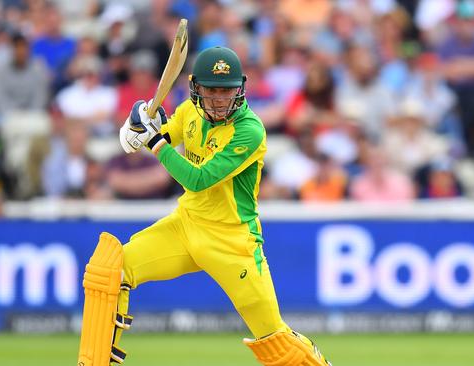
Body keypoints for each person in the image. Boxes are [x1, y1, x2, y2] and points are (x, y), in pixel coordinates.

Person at [77, 46, 332, 366]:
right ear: (196, 88)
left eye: (226, 91)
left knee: (275, 340)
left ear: (240, 90)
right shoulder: (188, 112)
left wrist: (152, 140)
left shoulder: (249, 131)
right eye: (211, 91)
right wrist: (138, 125)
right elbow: (162, 135)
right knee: (110, 269)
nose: (219, 100)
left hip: (232, 242)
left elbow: (198, 179)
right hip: (186, 226)